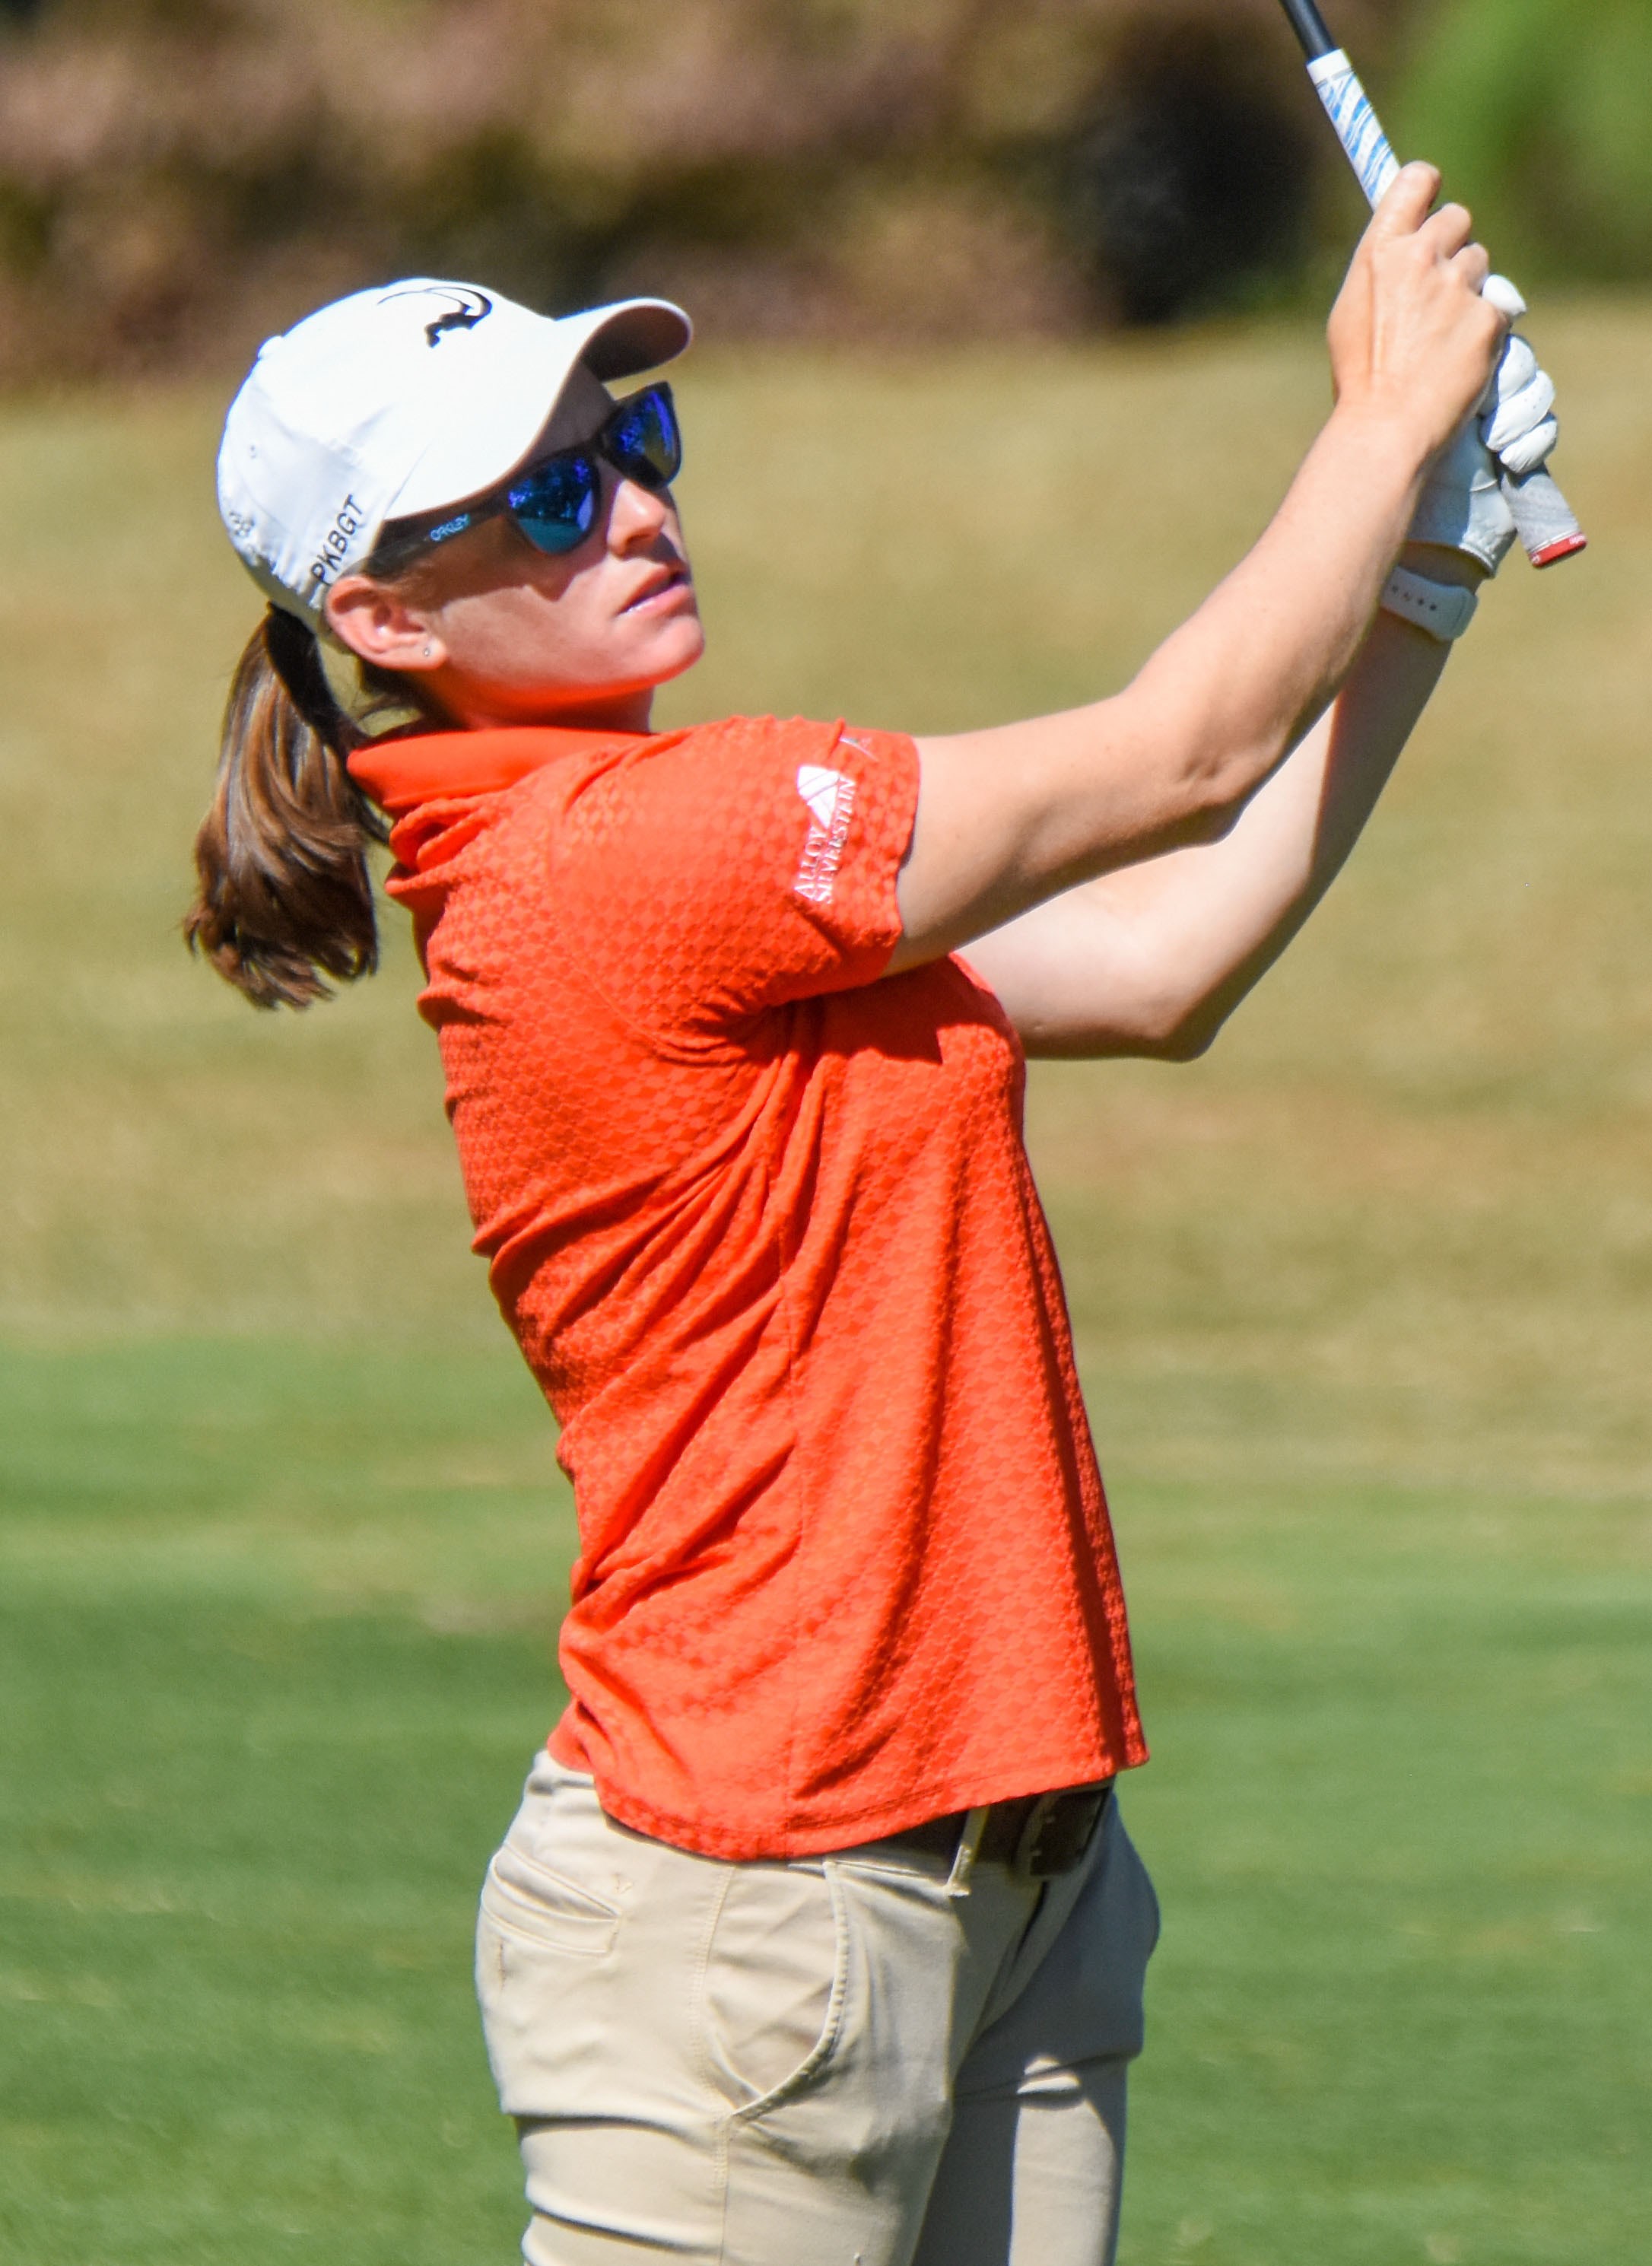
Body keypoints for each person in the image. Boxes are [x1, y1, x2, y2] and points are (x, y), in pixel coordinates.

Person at [186, 168, 1558, 2266]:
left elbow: (1168, 959)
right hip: (758, 1915)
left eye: (623, 447)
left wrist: (1427, 561)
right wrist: (1379, 415)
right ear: (383, 619)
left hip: (1009, 1865)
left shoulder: (704, 881)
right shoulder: (638, 860)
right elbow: (1179, 756)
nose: (633, 509)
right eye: (541, 503)